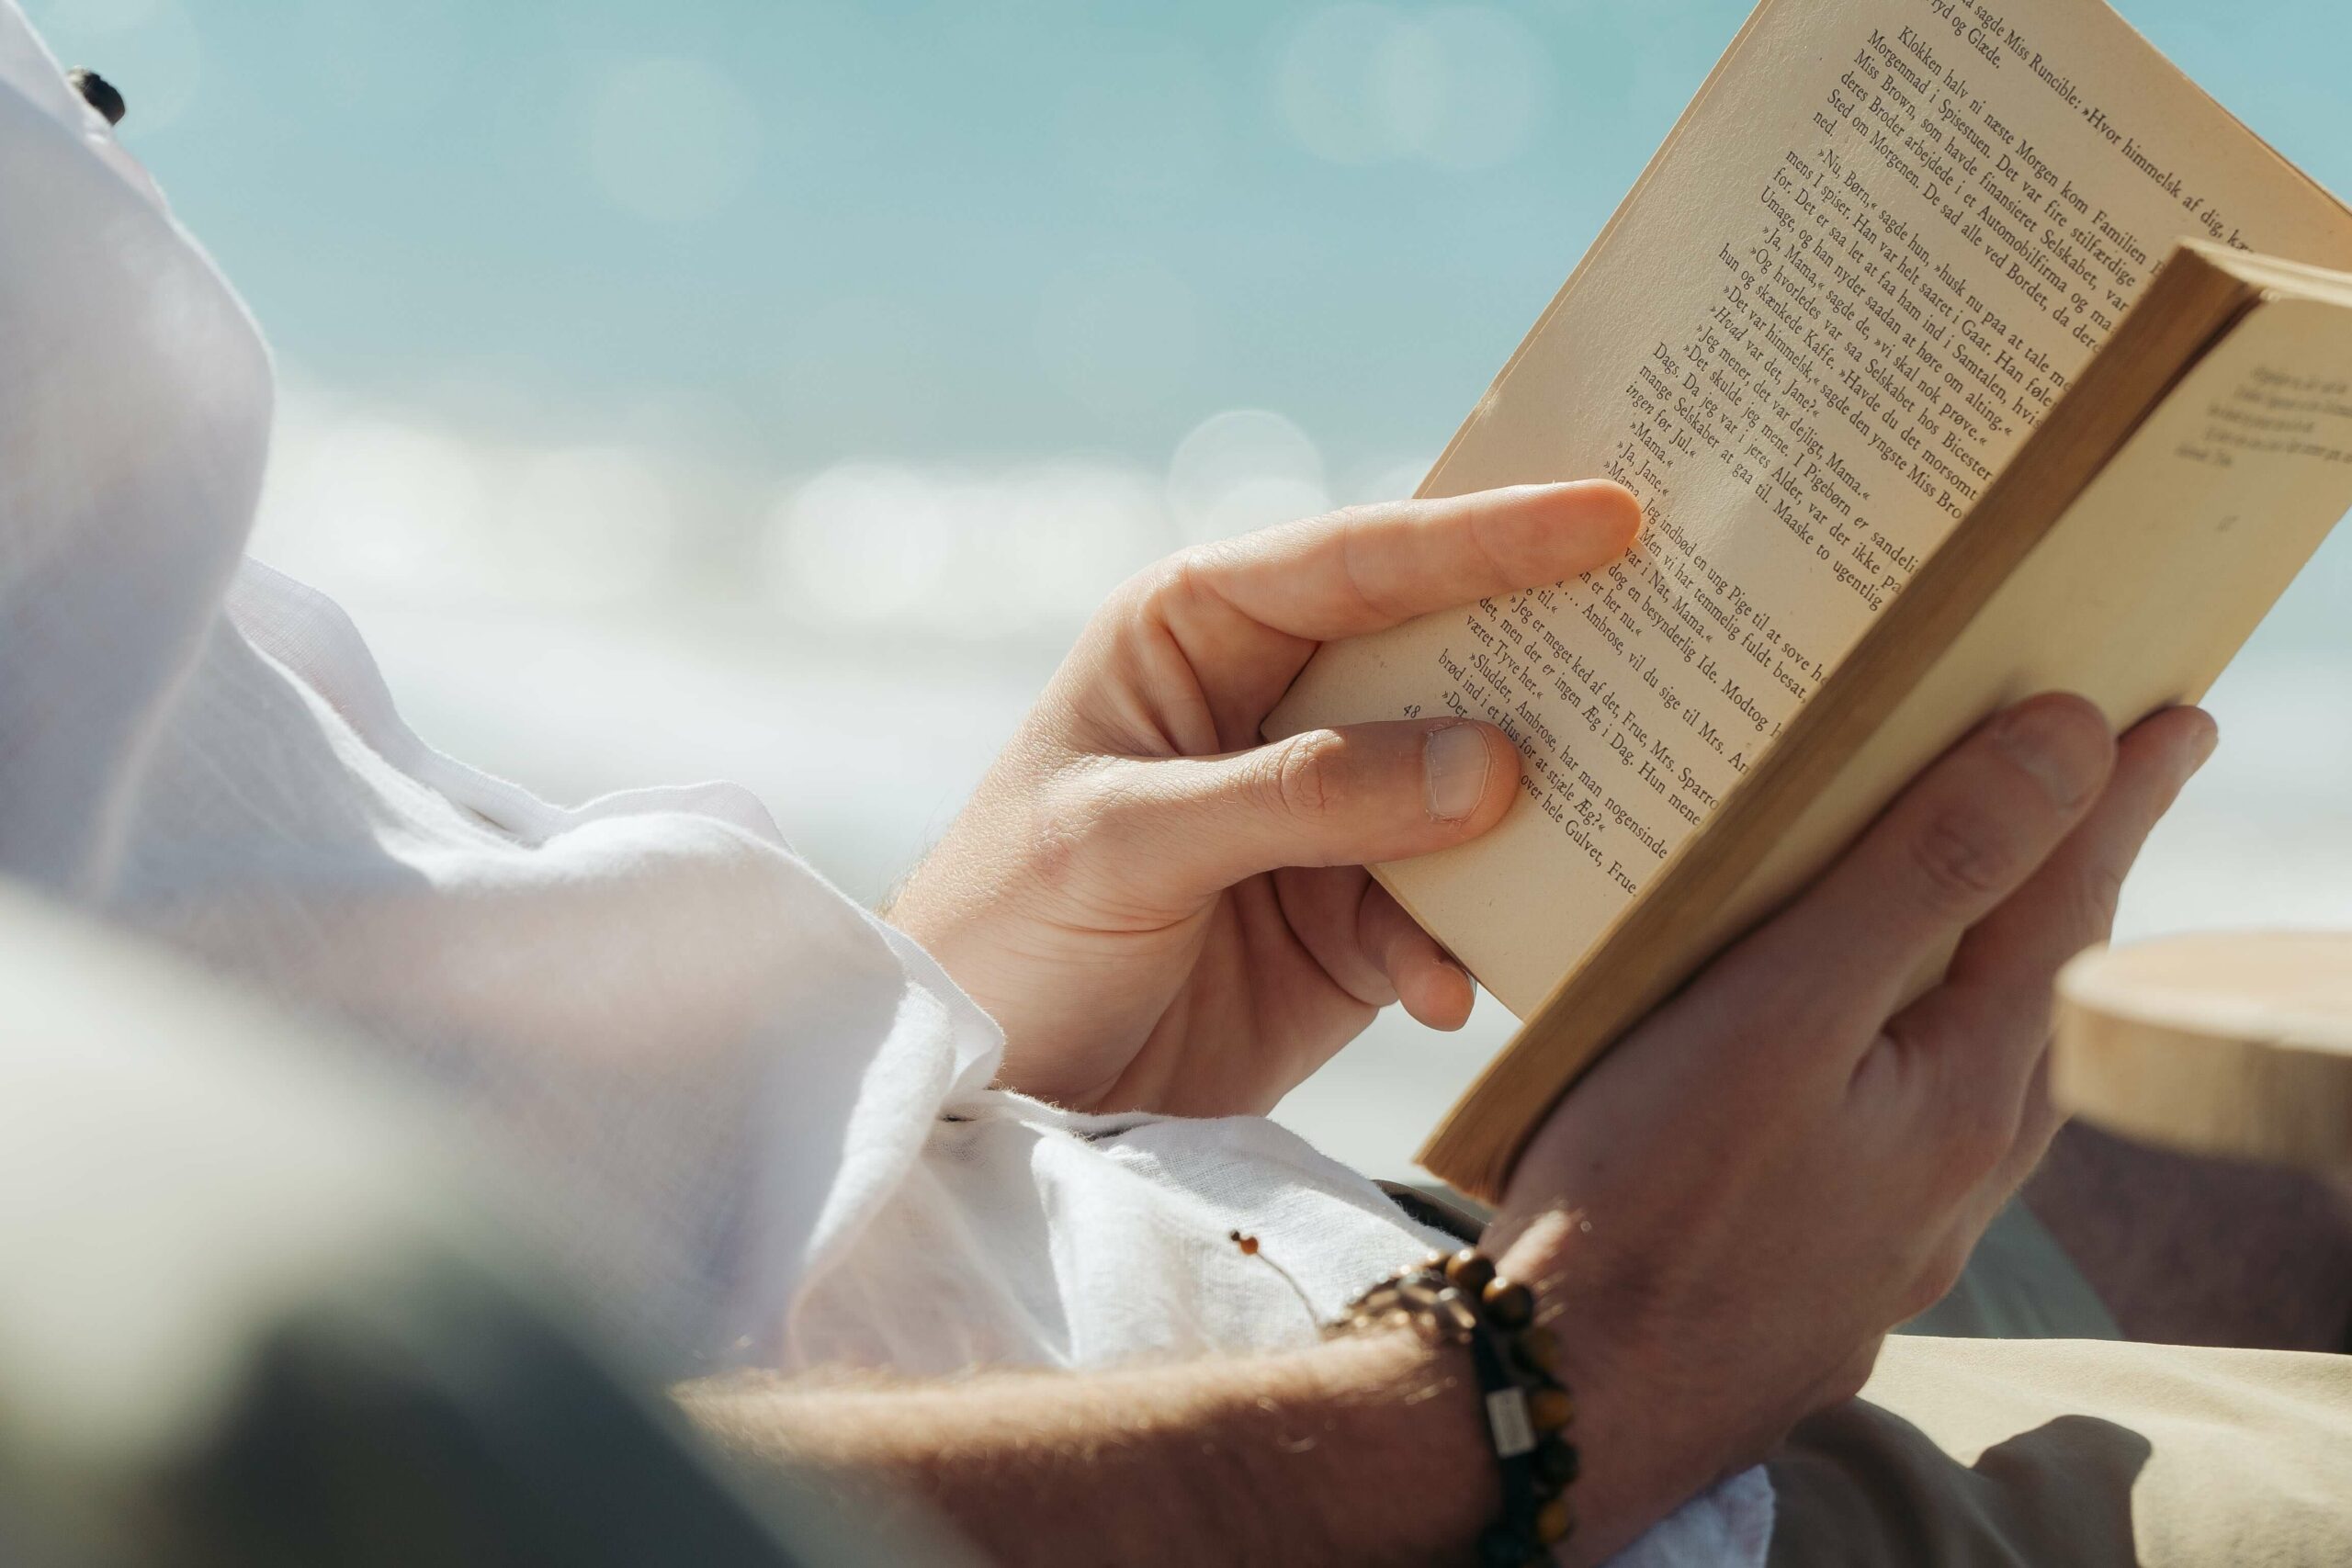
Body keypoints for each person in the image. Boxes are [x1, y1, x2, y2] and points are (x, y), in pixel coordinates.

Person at [3, 14, 2345, 1565]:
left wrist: (923, 1038)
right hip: (1403, 1471)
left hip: (1165, 1315)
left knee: (2202, 1187)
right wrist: (1545, 1398)